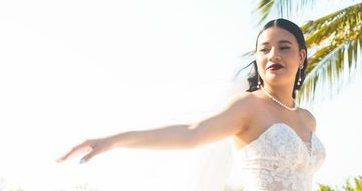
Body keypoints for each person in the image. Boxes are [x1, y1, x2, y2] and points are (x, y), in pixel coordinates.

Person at [57, 18, 326, 191]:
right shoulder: (249, 106)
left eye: (284, 47)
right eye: (264, 49)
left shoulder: (307, 119)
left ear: (301, 56)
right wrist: (114, 139)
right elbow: (191, 132)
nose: (273, 55)